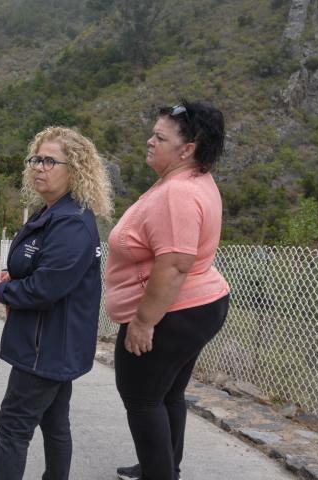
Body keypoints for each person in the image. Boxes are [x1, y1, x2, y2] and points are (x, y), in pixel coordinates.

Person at [104, 101, 230, 480]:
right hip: (197, 306)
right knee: (167, 394)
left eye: (159, 137)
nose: (149, 141)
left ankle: (160, 474)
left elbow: (174, 264)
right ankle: (162, 467)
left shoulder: (177, 193)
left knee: (142, 399)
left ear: (186, 149)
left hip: (171, 312)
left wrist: (143, 321)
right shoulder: (191, 180)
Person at [0, 127, 113, 480]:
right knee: (54, 421)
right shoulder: (54, 213)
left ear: (74, 169)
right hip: (50, 344)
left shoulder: (71, 223)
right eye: (36, 159)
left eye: (49, 161)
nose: (39, 168)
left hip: (45, 348)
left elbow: (44, 289)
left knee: (13, 427)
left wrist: (2, 291)